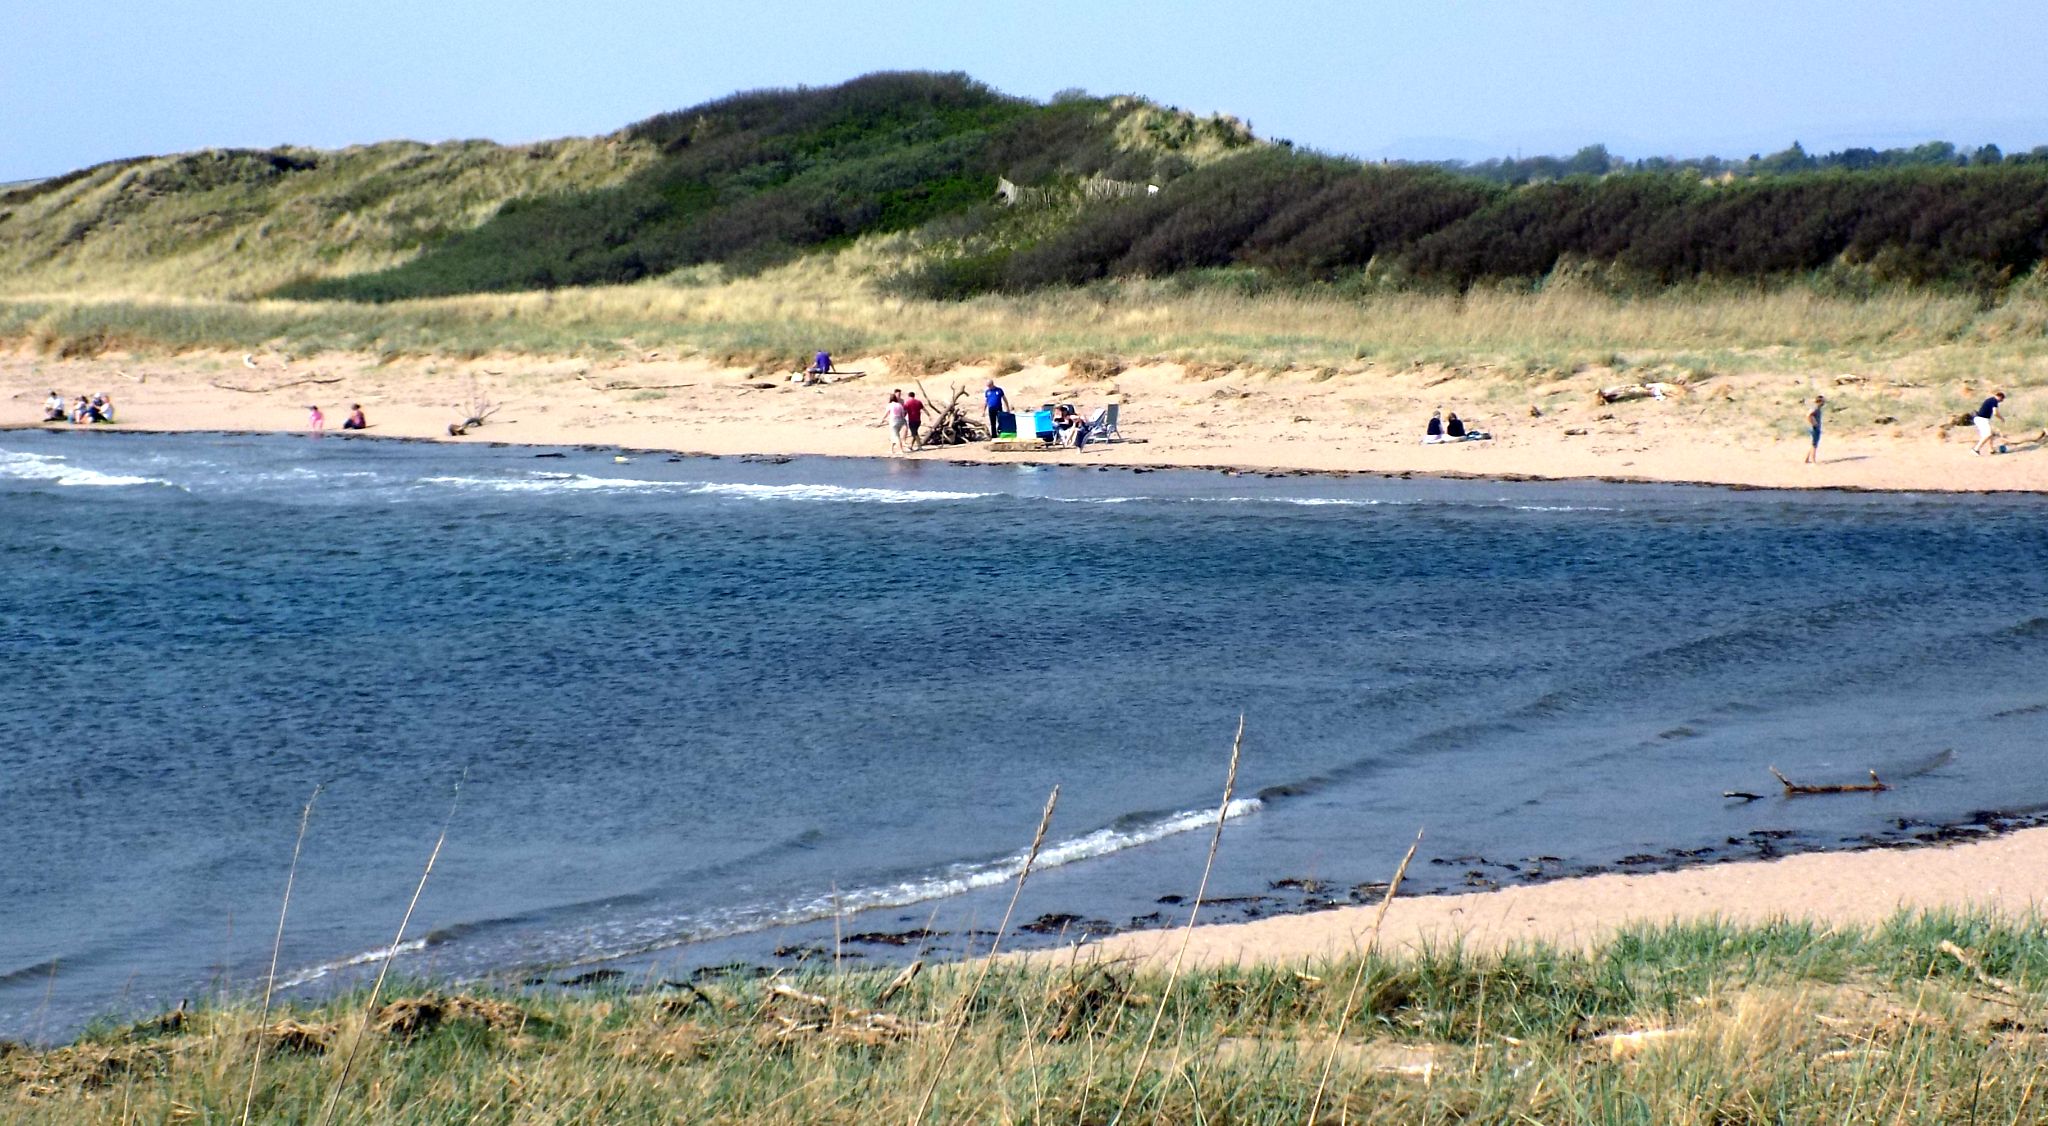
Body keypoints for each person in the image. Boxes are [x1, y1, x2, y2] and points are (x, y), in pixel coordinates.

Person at [1973, 390, 2006, 455]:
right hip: (1981, 419)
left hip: (1981, 419)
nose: (2001, 401)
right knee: (1988, 434)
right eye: (2001, 400)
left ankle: (1991, 449)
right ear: (2000, 397)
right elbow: (1995, 413)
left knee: (1989, 434)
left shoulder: (1990, 400)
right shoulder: (1994, 401)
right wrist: (2002, 418)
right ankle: (1975, 449)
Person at [1805, 395, 1825, 464]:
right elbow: (1808, 415)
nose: (1824, 403)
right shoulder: (1815, 408)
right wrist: (1814, 424)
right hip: (1815, 428)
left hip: (1815, 427)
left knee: (1813, 444)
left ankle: (1806, 459)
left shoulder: (1816, 408)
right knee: (1814, 445)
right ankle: (1813, 461)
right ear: (1820, 402)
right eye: (1823, 401)